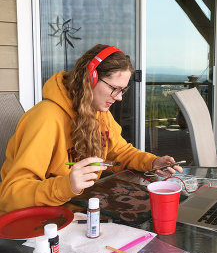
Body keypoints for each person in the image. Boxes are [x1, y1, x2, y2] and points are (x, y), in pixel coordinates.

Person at [0, 44, 182, 214]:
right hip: (41, 221)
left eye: (123, 90)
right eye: (114, 88)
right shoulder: (45, 118)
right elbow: (10, 195)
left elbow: (120, 152)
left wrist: (152, 162)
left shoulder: (99, 112)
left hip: (82, 208)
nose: (119, 98)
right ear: (90, 78)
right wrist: (66, 185)